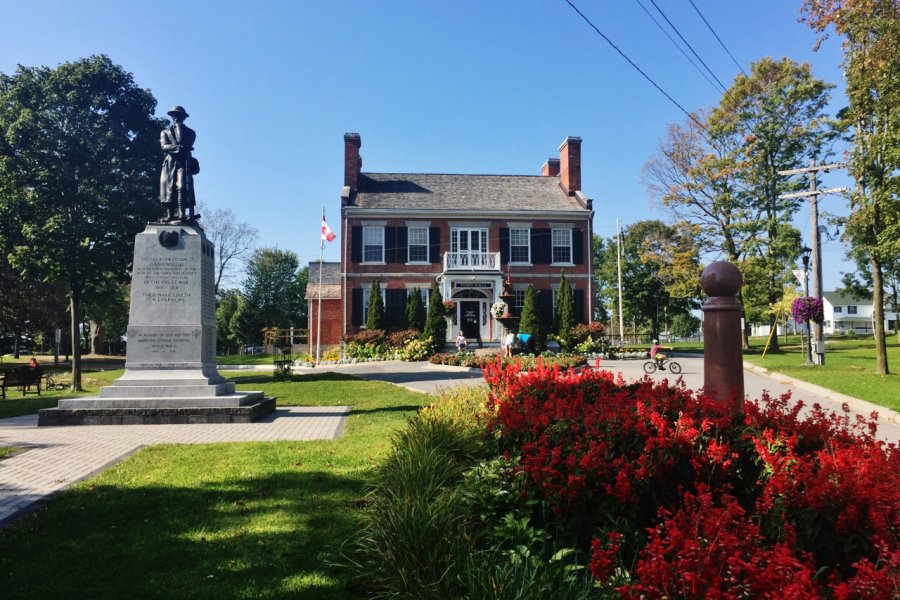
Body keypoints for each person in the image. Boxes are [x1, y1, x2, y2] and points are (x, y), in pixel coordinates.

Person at [159, 105, 199, 223]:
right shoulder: (165, 132)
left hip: (183, 162)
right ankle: (170, 214)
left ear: (183, 117)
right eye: (174, 115)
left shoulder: (191, 132)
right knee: (169, 189)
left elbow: (186, 143)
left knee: (182, 187)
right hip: (170, 163)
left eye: (179, 115)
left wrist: (179, 128)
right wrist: (177, 148)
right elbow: (164, 146)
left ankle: (182, 213)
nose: (176, 117)